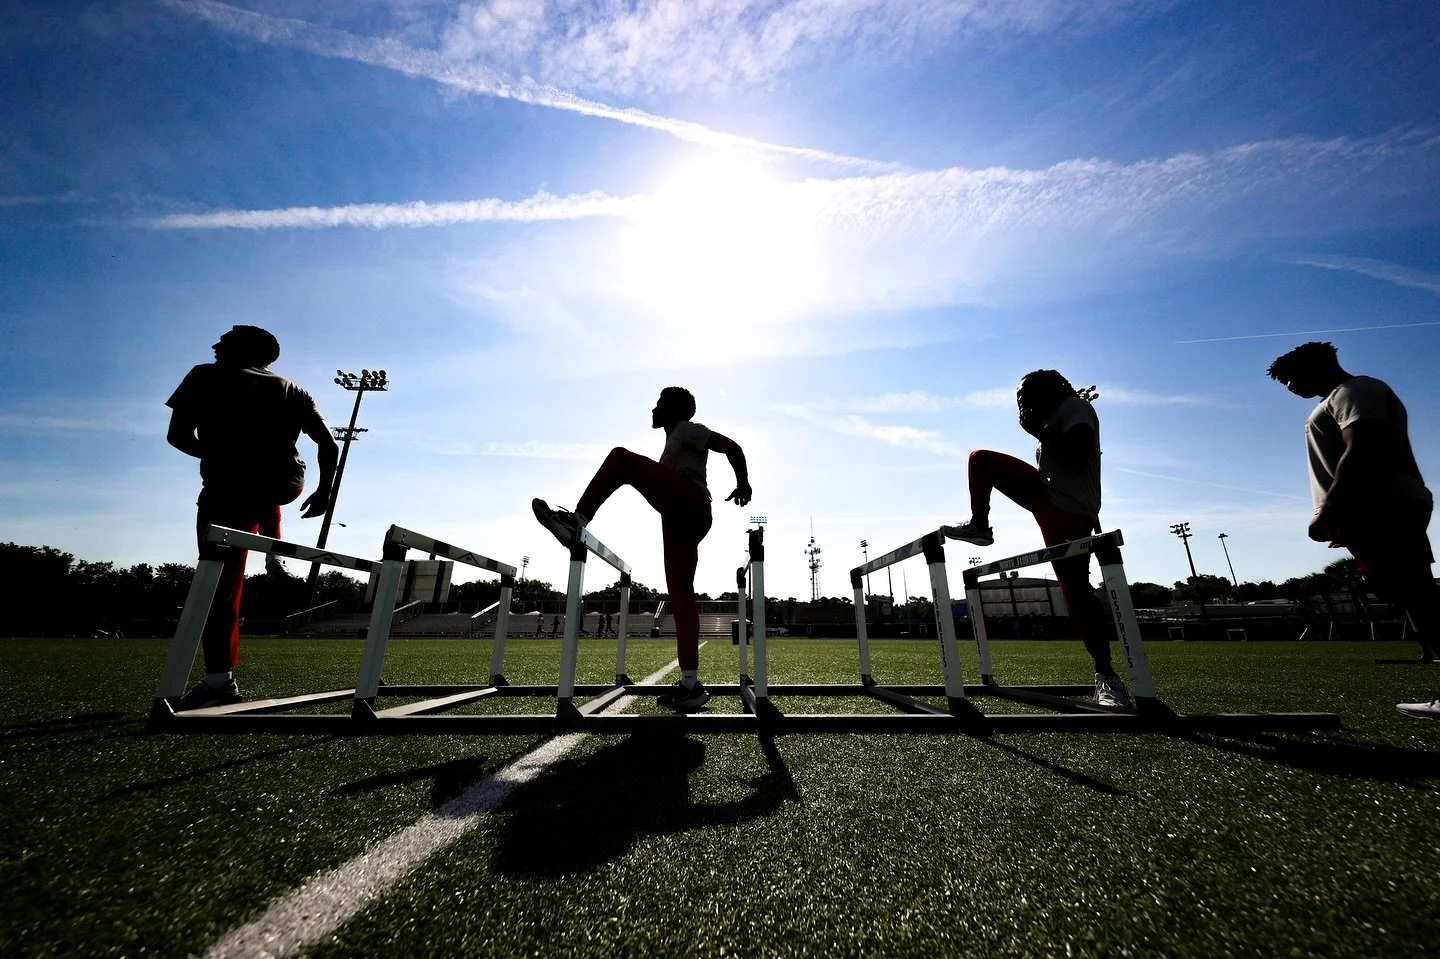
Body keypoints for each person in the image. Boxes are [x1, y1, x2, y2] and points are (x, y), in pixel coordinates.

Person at [533, 386, 752, 712]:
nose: (653, 409)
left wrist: (743, 481)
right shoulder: (671, 442)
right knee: (680, 596)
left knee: (621, 459)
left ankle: (576, 521)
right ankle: (690, 686)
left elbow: (731, 446)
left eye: (660, 404)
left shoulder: (690, 429)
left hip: (688, 504)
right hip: (678, 517)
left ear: (676, 410)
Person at [166, 326, 337, 710]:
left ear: (246, 350)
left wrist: (217, 456)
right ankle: (273, 552)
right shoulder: (294, 388)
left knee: (219, 587)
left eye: (223, 342)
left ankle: (218, 682)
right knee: (258, 485)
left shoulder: (204, 374)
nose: (214, 345)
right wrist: (324, 492)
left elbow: (177, 436)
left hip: (228, 491)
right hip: (285, 482)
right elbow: (327, 444)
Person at [1267, 341, 1440, 720]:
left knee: (1416, 590)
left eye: (1292, 378)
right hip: (1371, 508)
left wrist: (1332, 508)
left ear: (1317, 365)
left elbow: (1362, 447)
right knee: (1407, 591)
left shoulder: (1353, 391)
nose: (1292, 387)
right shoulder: (1336, 398)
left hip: (1384, 502)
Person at [945, 370, 1131, 708]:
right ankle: (980, 526)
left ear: (1046, 394)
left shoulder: (1075, 407)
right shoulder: (1054, 415)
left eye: (1026, 400)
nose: (1024, 408)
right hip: (1047, 496)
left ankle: (1107, 676)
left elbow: (1078, 449)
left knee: (1074, 590)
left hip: (1070, 510)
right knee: (981, 460)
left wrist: (1040, 432)